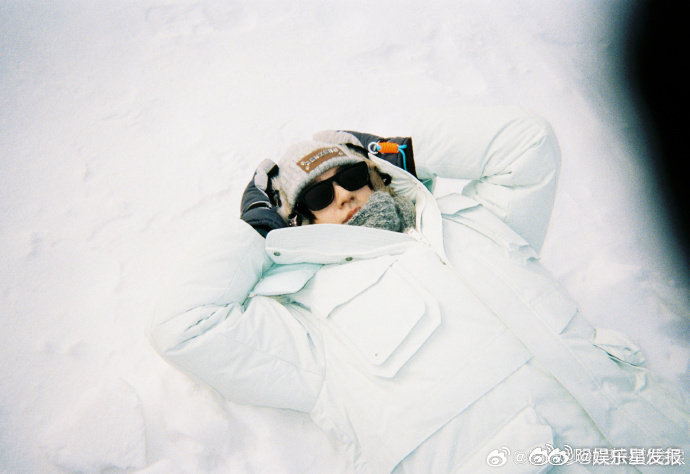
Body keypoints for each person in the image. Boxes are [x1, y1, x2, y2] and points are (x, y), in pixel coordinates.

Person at [151, 107, 689, 473]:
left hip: (658, 440)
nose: (343, 196)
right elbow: (183, 326)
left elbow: (527, 143)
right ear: (298, 221)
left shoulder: (473, 221)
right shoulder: (307, 315)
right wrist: (252, 230)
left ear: (378, 175)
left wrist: (396, 148)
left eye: (352, 177)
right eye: (318, 195)